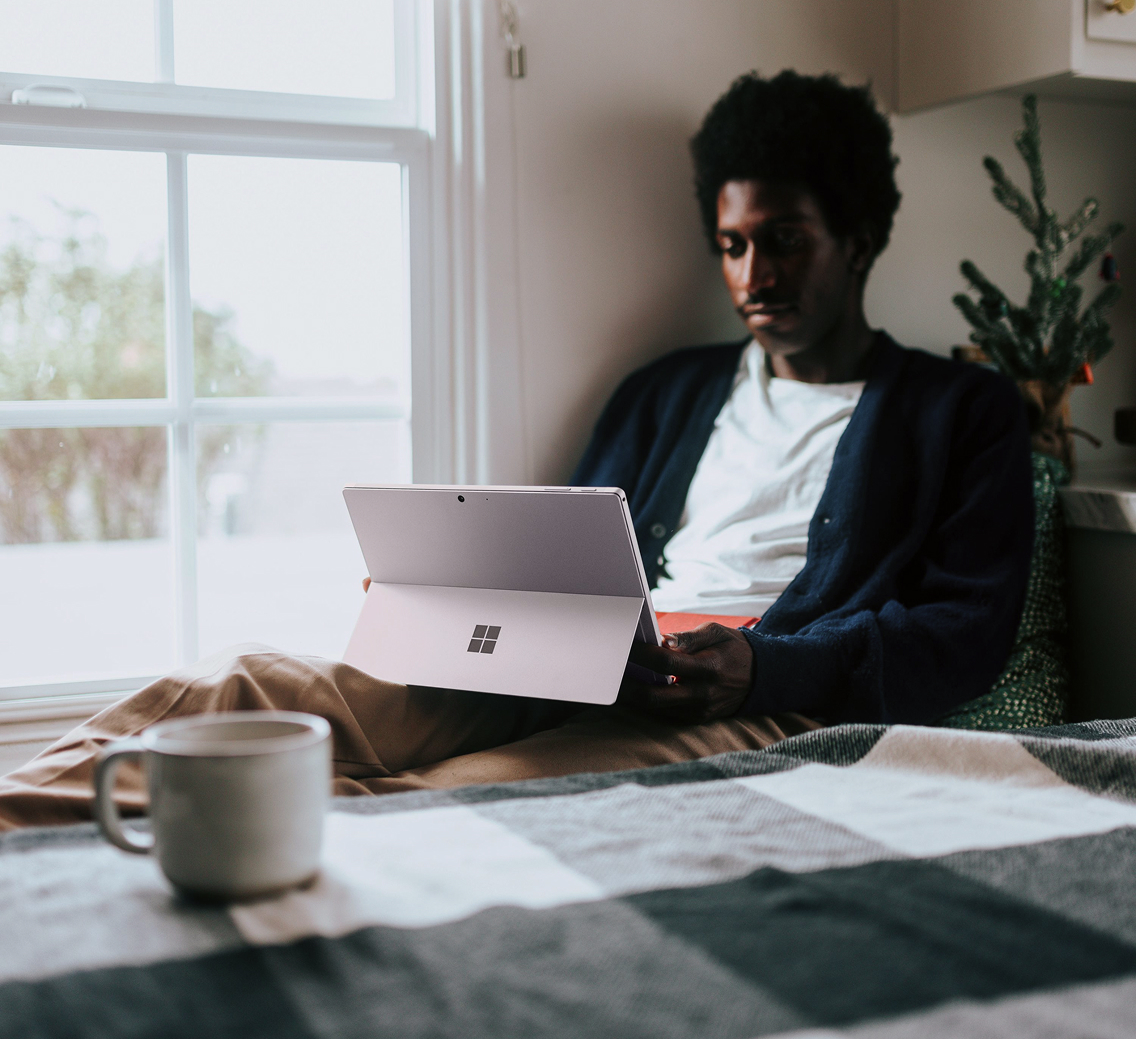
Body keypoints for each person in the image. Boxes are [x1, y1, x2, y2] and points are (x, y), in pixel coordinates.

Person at [0, 71, 1032, 831]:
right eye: (730, 244)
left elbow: (961, 636)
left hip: (747, 696)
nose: (752, 271)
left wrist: (764, 664)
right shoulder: (665, 390)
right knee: (241, 688)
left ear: (856, 234)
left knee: (447, 801)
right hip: (592, 661)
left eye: (784, 237)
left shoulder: (961, 411)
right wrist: (454, 594)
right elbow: (573, 559)